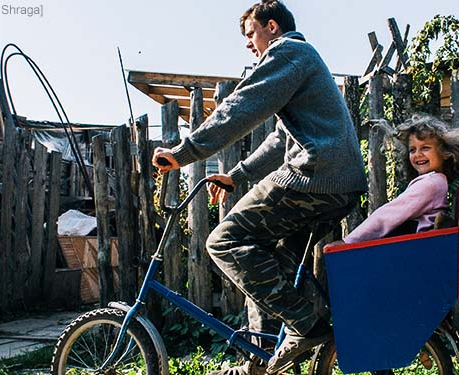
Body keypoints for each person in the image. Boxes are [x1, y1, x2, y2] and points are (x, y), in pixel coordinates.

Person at [151, 1, 367, 374]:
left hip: (316, 178)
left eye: (251, 34)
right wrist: (235, 175)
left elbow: (240, 106)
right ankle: (262, 360)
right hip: (337, 184)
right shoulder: (303, 64)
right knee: (267, 265)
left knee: (224, 242)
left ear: (271, 26)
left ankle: (306, 324)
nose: (249, 44)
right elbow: (280, 139)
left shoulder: (290, 51)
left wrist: (183, 153)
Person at [328, 115, 459, 247]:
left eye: (425, 148)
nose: (418, 154)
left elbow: (388, 215)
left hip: (410, 255)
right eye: (412, 150)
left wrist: (348, 241)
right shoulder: (438, 182)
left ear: (445, 153)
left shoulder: (430, 184)